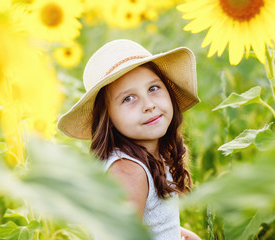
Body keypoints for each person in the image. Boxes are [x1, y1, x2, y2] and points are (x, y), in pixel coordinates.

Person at [57, 39, 201, 240]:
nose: (148, 105)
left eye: (153, 88)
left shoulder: (154, 154)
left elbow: (153, 227)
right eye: (128, 98)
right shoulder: (128, 172)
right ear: (108, 118)